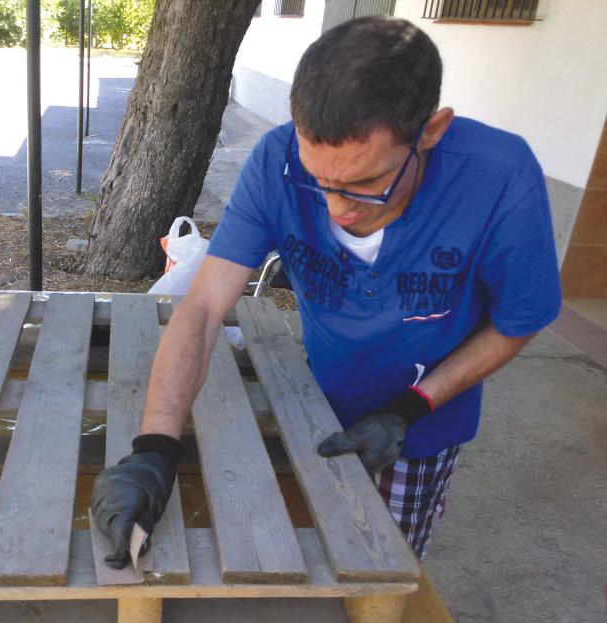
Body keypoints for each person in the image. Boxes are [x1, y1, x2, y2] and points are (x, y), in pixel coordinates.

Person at [92, 17, 561, 570]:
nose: (337, 209)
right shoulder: (276, 160)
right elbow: (202, 308)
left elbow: (518, 319)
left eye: (366, 183)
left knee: (383, 566)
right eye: (320, 181)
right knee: (302, 549)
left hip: (425, 419)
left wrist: (411, 408)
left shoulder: (500, 177)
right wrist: (154, 449)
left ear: (431, 131)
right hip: (315, 398)